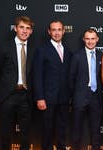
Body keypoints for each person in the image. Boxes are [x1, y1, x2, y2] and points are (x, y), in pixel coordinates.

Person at [0, 16, 35, 150]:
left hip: (26, 96)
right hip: (8, 96)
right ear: (15, 29)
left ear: (31, 31)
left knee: (26, 133)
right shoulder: (4, 47)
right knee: (6, 132)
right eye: (22, 27)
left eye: (28, 28)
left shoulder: (34, 49)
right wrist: (3, 93)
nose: (24, 31)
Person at [33, 20, 72, 150]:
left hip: (64, 99)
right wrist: (39, 97)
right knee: (47, 130)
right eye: (54, 30)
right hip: (47, 99)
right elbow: (37, 75)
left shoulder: (68, 51)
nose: (56, 33)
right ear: (49, 32)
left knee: (62, 130)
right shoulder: (42, 50)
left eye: (59, 29)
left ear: (63, 31)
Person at [69, 28, 103, 150]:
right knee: (77, 129)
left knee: (96, 130)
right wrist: (76, 95)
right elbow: (71, 78)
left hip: (96, 97)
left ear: (97, 39)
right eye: (87, 39)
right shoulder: (76, 56)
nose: (90, 41)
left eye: (93, 38)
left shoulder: (102, 56)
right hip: (80, 96)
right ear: (83, 39)